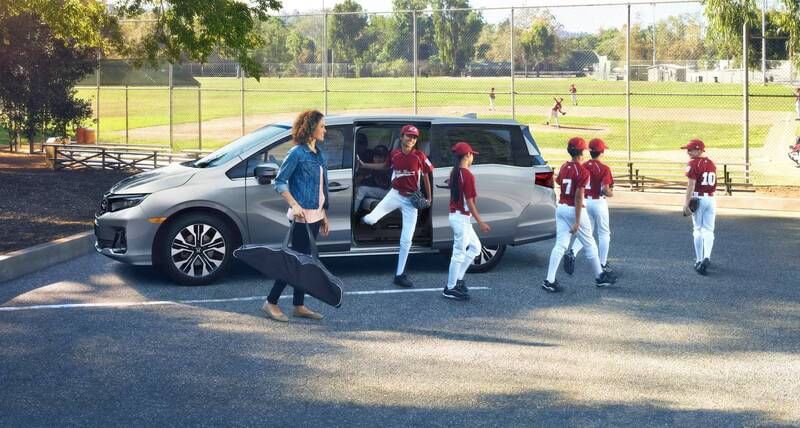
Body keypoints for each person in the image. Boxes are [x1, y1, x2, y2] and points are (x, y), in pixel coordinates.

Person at [263, 110, 330, 322]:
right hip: (301, 217)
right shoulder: (297, 153)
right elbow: (280, 182)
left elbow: (321, 187)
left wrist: (324, 213)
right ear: (311, 128)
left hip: (316, 215)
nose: (325, 130)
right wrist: (294, 204)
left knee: (304, 262)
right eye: (322, 126)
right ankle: (270, 302)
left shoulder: (319, 154)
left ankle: (298, 305)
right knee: (294, 262)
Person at [358, 124, 433, 288]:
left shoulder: (420, 156)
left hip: (411, 200)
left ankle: (399, 275)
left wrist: (429, 197)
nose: (411, 139)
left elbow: (426, 176)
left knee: (406, 240)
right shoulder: (395, 153)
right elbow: (385, 166)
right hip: (394, 194)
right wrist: (364, 165)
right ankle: (362, 222)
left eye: (414, 137)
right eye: (408, 136)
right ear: (401, 137)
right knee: (370, 219)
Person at [542, 137, 616, 292]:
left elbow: (559, 181)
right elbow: (578, 196)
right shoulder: (582, 171)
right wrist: (576, 220)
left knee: (561, 244)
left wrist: (552, 175)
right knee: (589, 243)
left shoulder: (564, 166)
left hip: (561, 208)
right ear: (582, 151)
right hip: (574, 209)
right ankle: (599, 277)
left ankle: (549, 280)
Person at [443, 141, 490, 301]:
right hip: (461, 218)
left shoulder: (454, 172)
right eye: (472, 155)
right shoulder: (467, 174)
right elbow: (469, 202)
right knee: (458, 254)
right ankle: (450, 288)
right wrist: (481, 222)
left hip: (458, 217)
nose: (472, 157)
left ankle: (458, 279)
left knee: (476, 248)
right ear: (467, 155)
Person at [566, 138, 615, 274]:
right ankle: (602, 263)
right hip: (599, 202)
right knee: (604, 233)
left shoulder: (583, 166)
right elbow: (605, 189)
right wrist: (611, 193)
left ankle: (572, 252)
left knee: (587, 232)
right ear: (602, 152)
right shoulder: (604, 168)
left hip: (585, 202)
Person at [682, 139, 716, 275]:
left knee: (697, 229)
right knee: (709, 230)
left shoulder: (693, 163)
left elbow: (691, 184)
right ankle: (707, 256)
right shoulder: (711, 163)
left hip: (698, 198)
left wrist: (686, 203)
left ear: (699, 150)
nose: (688, 152)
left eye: (691, 149)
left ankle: (699, 259)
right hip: (711, 198)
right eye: (688, 149)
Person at [353, 144, 390, 213]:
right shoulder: (372, 167)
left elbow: (384, 185)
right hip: (380, 191)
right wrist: (363, 176)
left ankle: (353, 214)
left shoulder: (387, 167)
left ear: (386, 158)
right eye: (376, 157)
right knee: (356, 189)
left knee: (362, 189)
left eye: (381, 157)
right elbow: (358, 182)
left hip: (389, 192)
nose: (378, 159)